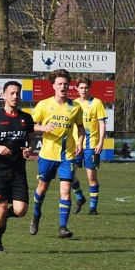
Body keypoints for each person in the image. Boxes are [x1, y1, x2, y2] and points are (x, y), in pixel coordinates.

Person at [0, 81, 36, 253]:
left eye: (17, 93)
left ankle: (3, 217)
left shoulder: (26, 118)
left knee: (21, 210)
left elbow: (33, 138)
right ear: (4, 95)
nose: (15, 96)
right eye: (11, 93)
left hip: (18, 172)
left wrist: (30, 149)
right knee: (1, 208)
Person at [30, 68, 84, 239]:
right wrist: (43, 127)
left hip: (67, 156)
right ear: (53, 86)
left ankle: (63, 227)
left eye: (66, 84)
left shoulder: (75, 107)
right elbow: (29, 125)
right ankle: (36, 215)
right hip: (47, 155)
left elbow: (81, 128)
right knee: (42, 187)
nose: (63, 87)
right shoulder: (44, 105)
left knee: (66, 189)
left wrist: (80, 142)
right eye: (59, 84)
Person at [69, 78, 108, 216]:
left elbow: (102, 124)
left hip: (91, 145)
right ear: (77, 89)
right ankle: (80, 197)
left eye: (86, 87)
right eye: (81, 88)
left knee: (91, 176)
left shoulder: (97, 103)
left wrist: (101, 142)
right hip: (76, 145)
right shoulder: (73, 104)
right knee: (69, 174)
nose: (84, 90)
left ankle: (93, 208)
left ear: (89, 88)